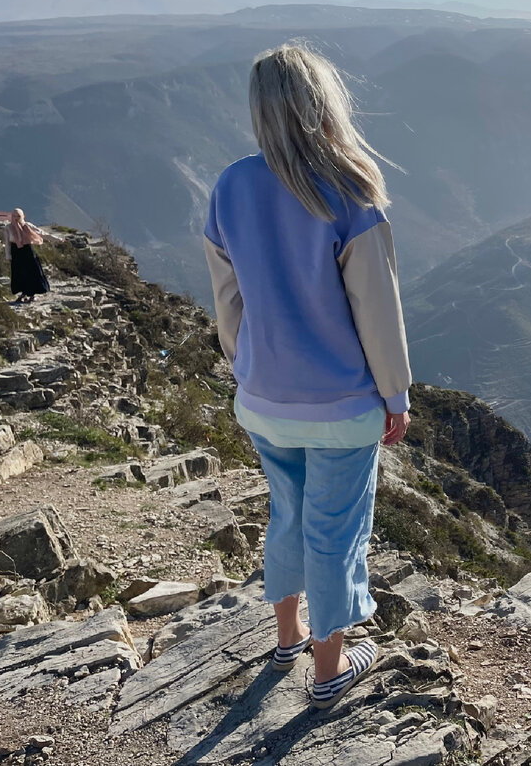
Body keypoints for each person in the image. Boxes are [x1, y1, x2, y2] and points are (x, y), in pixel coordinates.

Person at [204, 42, 412, 710]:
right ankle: (329, 672)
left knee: (286, 514)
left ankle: (288, 636)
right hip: (342, 404)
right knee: (336, 532)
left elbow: (227, 298)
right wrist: (395, 395)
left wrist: (249, 366)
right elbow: (375, 310)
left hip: (264, 398)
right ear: (323, 103)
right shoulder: (351, 189)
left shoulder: (231, 187)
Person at [4, 208, 50, 303]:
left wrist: (57, 239)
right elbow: (7, 243)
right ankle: (23, 293)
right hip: (16, 252)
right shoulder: (8, 228)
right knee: (19, 273)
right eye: (14, 216)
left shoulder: (27, 226)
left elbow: (41, 233)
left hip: (28, 251)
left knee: (32, 272)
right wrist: (8, 255)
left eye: (18, 216)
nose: (16, 218)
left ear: (23, 216)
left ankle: (32, 294)